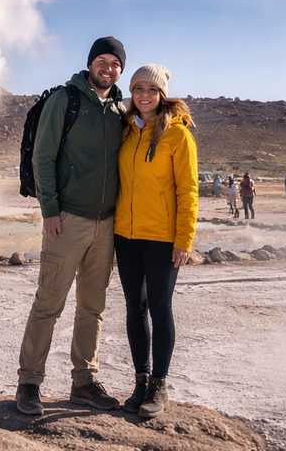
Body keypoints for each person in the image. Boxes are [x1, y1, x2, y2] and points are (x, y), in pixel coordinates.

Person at [16, 36, 128, 416]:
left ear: (120, 70)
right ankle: (29, 382)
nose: (107, 68)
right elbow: (43, 158)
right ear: (90, 64)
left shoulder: (119, 109)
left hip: (106, 224)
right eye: (102, 60)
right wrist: (50, 210)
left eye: (115, 63)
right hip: (67, 221)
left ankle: (84, 381)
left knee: (92, 307)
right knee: (48, 304)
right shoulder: (66, 100)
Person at [114, 63, 198, 419]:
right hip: (126, 235)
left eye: (151, 89)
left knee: (161, 310)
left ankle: (159, 384)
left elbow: (188, 190)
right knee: (135, 309)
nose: (144, 95)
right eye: (137, 89)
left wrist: (184, 239)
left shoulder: (178, 135)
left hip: (163, 238)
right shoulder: (127, 130)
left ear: (162, 94)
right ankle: (141, 379)